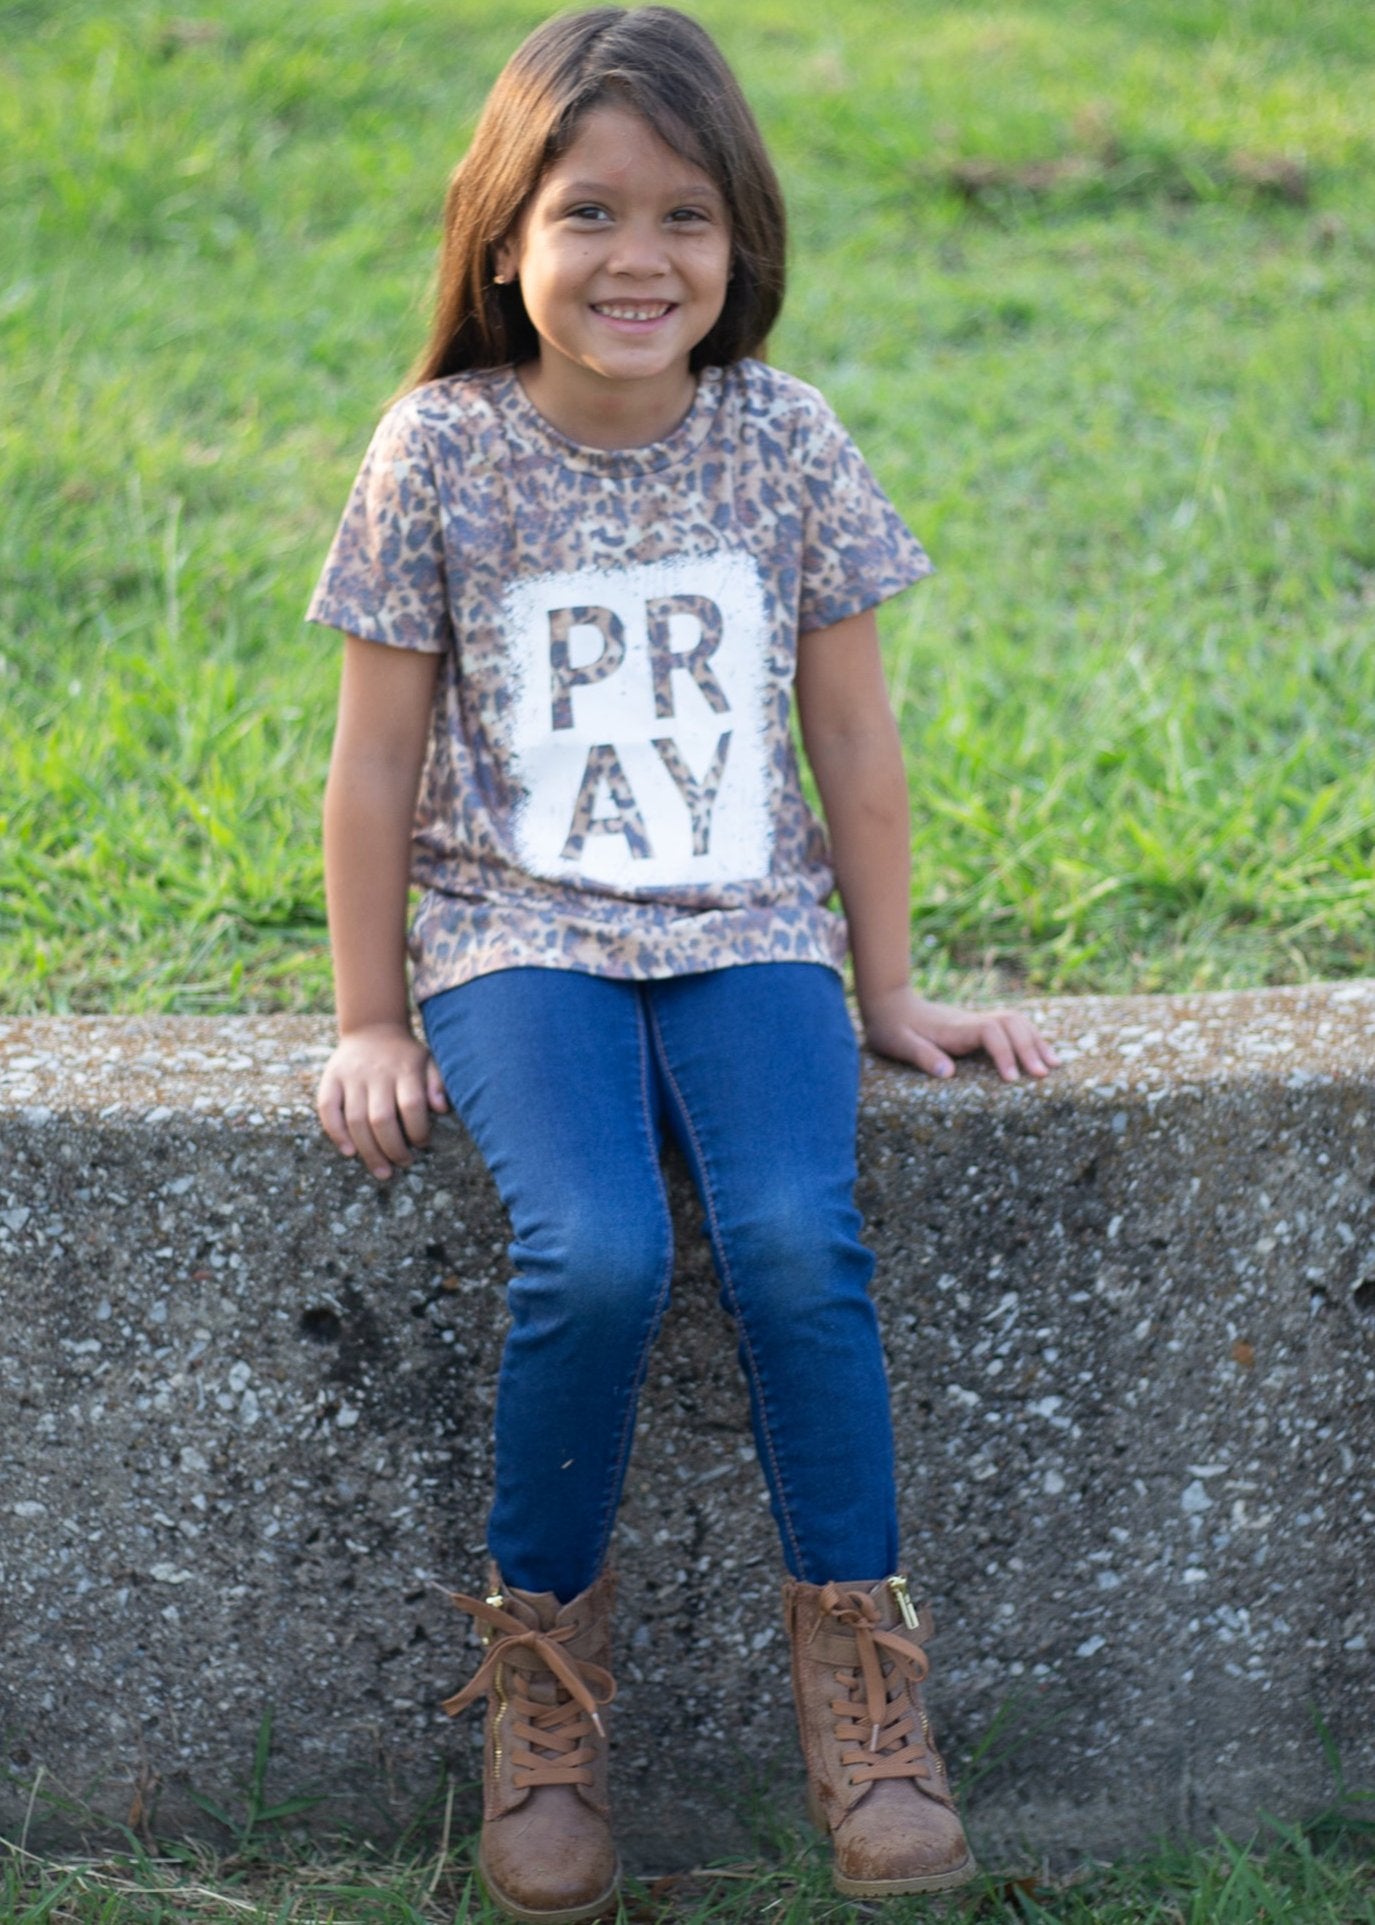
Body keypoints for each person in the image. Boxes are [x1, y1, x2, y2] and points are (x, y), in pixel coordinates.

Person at [309, 8, 1058, 1917]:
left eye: (687, 217)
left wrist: (888, 989)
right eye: (589, 213)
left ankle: (867, 1692)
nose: (641, 258)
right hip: (517, 938)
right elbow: (377, 757)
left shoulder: (782, 438)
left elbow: (855, 748)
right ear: (503, 240)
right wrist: (372, 1012)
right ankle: (543, 1692)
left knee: (801, 1241)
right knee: (601, 1248)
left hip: (748, 933)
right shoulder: (442, 452)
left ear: (744, 245)